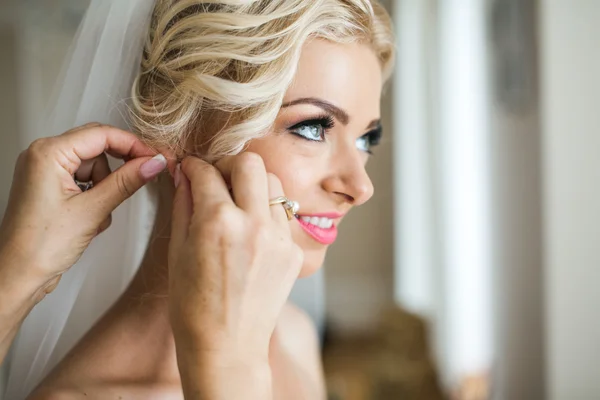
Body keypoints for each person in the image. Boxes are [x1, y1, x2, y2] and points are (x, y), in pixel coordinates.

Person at [1, 0, 395, 398]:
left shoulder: (294, 335)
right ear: (178, 128)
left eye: (366, 139)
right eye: (312, 128)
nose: (360, 187)